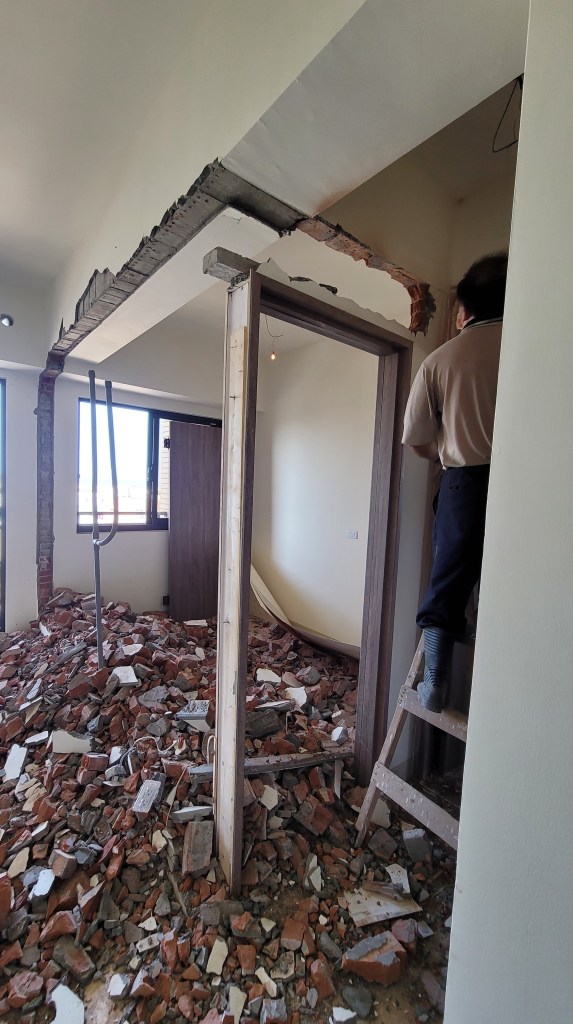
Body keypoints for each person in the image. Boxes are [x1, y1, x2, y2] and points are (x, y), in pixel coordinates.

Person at [402, 252, 508, 712]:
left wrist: (446, 449)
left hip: (464, 481)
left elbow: (417, 442)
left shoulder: (441, 361)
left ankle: (434, 682)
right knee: (507, 579)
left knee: (447, 578)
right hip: (526, 486)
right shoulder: (536, 346)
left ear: (462, 309)